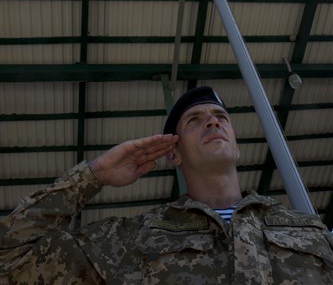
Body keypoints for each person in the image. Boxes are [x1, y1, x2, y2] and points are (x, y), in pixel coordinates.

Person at [0, 86, 332, 284]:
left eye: (220, 117)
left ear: (237, 145)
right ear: (173, 154)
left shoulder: (310, 231)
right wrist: (94, 175)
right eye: (195, 120)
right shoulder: (130, 239)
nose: (213, 120)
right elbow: (12, 260)